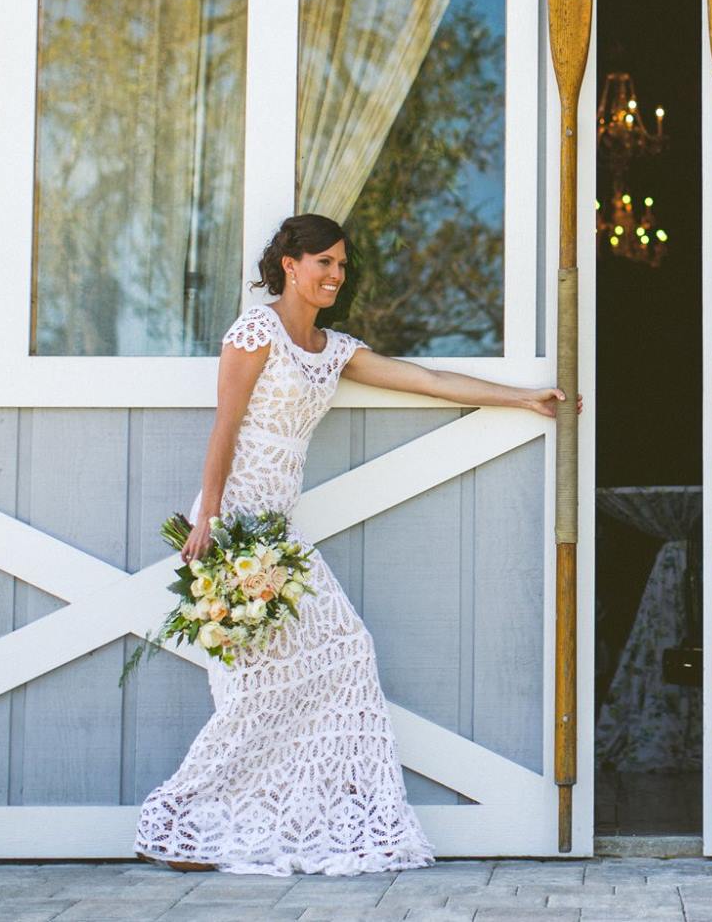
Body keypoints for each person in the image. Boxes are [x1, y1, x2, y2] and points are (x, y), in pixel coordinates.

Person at [136, 213, 571, 876]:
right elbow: (224, 426)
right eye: (325, 263)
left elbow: (427, 380)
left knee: (345, 650)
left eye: (343, 265)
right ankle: (180, 821)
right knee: (252, 688)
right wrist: (211, 520)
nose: (337, 275)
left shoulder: (333, 348)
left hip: (280, 536)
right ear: (290, 264)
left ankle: (252, 824)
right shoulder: (255, 332)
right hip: (233, 533)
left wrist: (522, 397)